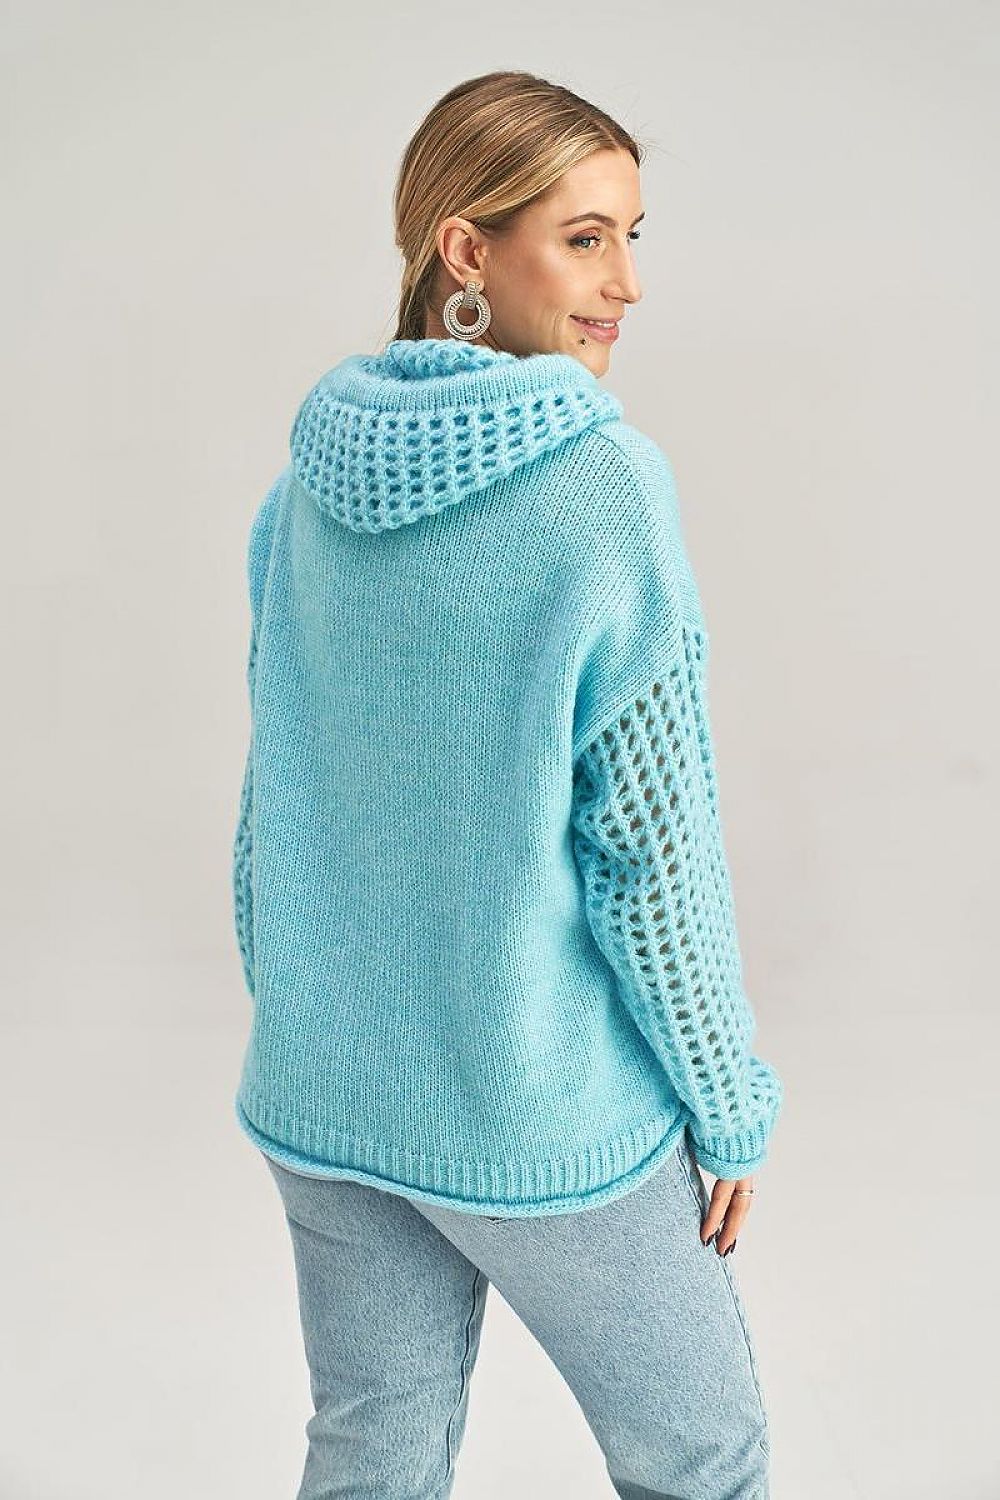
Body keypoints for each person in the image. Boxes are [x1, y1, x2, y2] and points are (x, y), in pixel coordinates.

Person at [231, 69, 783, 1500]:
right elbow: (651, 853)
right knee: (704, 1459)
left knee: (373, 1453)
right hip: (533, 1108)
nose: (628, 284)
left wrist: (306, 1013)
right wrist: (727, 1101)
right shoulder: (603, 488)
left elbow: (274, 806)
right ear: (465, 250)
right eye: (586, 239)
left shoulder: (303, 489)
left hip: (326, 1096)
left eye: (632, 237)